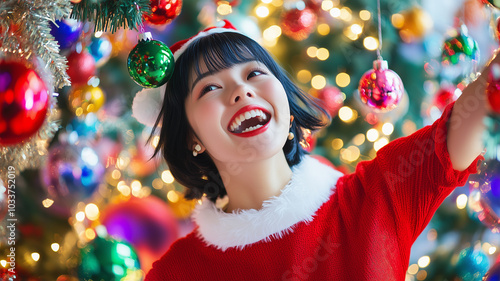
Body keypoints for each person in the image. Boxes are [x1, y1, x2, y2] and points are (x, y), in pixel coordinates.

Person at [135, 20, 495, 280]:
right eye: (209, 89)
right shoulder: (177, 273)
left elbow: (478, 108)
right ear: (189, 137)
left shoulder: (377, 195)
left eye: (254, 74)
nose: (241, 92)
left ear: (286, 100)